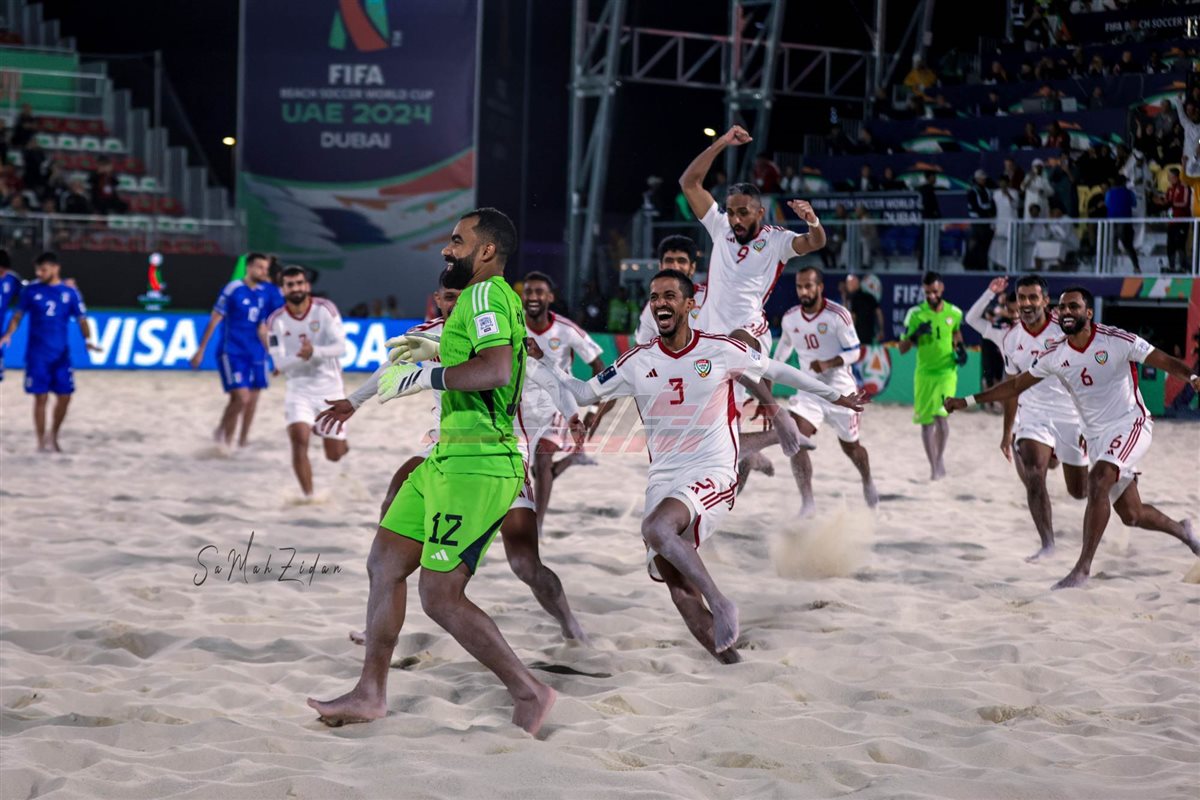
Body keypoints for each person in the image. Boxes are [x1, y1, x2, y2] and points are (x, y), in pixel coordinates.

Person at [306, 208, 557, 734]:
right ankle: (370, 693)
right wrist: (435, 352)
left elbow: (496, 370)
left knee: (440, 597)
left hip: (480, 463)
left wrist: (429, 375)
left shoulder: (486, 296)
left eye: (457, 241)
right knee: (384, 563)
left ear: (486, 250)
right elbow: (478, 355)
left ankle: (530, 691)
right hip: (445, 456)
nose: (447, 248)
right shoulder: (477, 299)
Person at [532, 268, 863, 662]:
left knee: (656, 527)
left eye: (669, 296)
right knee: (678, 589)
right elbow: (585, 392)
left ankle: (722, 602)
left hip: (712, 473)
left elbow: (776, 370)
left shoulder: (719, 349)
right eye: (654, 297)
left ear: (690, 305)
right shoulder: (637, 360)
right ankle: (734, 666)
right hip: (663, 479)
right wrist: (541, 365)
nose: (660, 303)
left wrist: (833, 396)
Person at [322, 271, 588, 644]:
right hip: (443, 445)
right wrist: (353, 402)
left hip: (500, 451)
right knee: (394, 498)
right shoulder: (428, 334)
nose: (455, 305)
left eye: (462, 298)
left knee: (525, 563)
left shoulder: (495, 335)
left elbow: (546, 376)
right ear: (437, 299)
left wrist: (572, 415)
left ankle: (569, 624)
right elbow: (393, 365)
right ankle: (381, 612)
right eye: (448, 297)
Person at [946, 287, 1200, 590]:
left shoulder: (1116, 340)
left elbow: (1163, 360)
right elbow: (1014, 386)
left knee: (1098, 479)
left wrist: (1192, 377)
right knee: (1131, 514)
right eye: (1062, 307)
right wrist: (966, 401)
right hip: (1095, 436)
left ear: (1088, 313)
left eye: (1073, 307)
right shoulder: (1056, 354)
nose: (1066, 311)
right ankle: (1184, 531)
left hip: (1130, 424)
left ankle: (1082, 570)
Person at [965, 276, 1087, 561]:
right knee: (1033, 473)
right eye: (1022, 298)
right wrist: (1007, 432)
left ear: (1045, 301)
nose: (1027, 303)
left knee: (1079, 492)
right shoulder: (1009, 336)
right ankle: (1048, 545)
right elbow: (1012, 388)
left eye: (1033, 297)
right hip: (1033, 414)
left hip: (1070, 415)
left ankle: (1061, 458)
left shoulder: (1065, 328)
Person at [678, 125, 826, 357]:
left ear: (760, 213)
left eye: (743, 213)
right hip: (709, 332)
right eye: (731, 212)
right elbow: (689, 183)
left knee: (736, 349)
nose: (735, 219)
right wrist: (722, 142)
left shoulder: (776, 239)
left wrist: (813, 221)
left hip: (748, 330)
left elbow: (815, 242)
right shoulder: (720, 226)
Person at [774, 267, 878, 514]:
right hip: (809, 391)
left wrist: (829, 363)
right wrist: (770, 370)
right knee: (796, 439)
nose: (803, 291)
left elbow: (855, 351)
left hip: (841, 393)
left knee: (851, 448)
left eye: (808, 286)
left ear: (820, 287)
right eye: (799, 287)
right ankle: (807, 503)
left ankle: (867, 480)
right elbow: (785, 347)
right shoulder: (790, 318)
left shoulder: (838, 315)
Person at [520, 270, 608, 533]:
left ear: (550, 297)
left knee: (542, 460)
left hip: (555, 406)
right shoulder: (513, 326)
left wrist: (593, 410)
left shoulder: (566, 330)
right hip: (520, 408)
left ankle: (536, 528)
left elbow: (599, 368)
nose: (533, 297)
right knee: (532, 471)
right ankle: (572, 457)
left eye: (539, 292)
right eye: (528, 291)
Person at [0, 252, 100, 451]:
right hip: (37, 355)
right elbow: (18, 315)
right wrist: (8, 333)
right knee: (41, 397)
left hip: (61, 355)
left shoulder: (70, 292)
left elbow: (81, 318)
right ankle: (41, 441)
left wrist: (88, 340)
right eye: (37, 270)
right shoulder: (31, 291)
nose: (39, 273)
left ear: (55, 268)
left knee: (65, 396)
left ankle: (53, 434)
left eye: (43, 269)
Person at [266, 266, 349, 498]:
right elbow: (279, 364)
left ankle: (342, 442)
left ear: (307, 286)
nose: (296, 288)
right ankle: (309, 497)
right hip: (298, 390)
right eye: (290, 284)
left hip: (330, 388)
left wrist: (314, 352)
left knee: (334, 454)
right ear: (283, 290)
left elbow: (341, 347)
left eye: (299, 283)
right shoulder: (275, 321)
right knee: (299, 440)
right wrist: (301, 357)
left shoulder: (325, 309)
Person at [190, 251, 272, 449]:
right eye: (260, 267)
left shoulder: (263, 293)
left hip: (255, 353)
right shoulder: (233, 289)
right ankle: (223, 437)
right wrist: (201, 350)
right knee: (241, 397)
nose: (264, 271)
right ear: (249, 268)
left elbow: (262, 328)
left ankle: (238, 441)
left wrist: (274, 354)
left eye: (266, 268)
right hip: (232, 352)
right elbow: (214, 320)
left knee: (249, 400)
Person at [897, 271, 965, 480]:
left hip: (947, 372)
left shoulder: (955, 312)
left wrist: (961, 349)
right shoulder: (915, 314)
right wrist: (915, 335)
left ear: (941, 288)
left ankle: (939, 458)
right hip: (924, 374)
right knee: (926, 423)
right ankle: (934, 467)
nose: (931, 296)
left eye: (935, 291)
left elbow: (956, 332)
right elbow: (902, 348)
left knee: (942, 417)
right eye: (927, 293)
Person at [635, 235, 707, 346]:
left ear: (692, 267)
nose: (675, 267)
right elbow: (640, 347)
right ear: (661, 266)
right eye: (669, 260)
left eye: (681, 261)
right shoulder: (653, 306)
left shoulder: (709, 298)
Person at [1104, 176, 1140, 273]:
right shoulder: (1129, 193)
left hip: (1112, 222)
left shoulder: (1109, 193)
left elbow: (1107, 204)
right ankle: (1136, 267)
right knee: (1128, 245)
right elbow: (1134, 203)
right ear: (1124, 183)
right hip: (1125, 222)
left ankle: (1108, 270)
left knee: (1112, 244)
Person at [965, 170, 995, 271]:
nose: (984, 180)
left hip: (986, 223)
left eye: (984, 178)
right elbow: (977, 207)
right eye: (982, 178)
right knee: (974, 244)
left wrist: (990, 213)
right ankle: (970, 266)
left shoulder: (987, 191)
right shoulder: (972, 192)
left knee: (984, 245)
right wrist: (987, 212)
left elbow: (991, 205)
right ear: (977, 179)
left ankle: (982, 266)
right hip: (977, 223)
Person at [0, 249, 22, 382]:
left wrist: (62, 283)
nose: (2, 274)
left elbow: (32, 292)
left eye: (4, 271)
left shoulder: (12, 279)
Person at [1164, 168, 1192, 272]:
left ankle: (1183, 267)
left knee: (1180, 244)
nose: (1168, 178)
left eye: (1170, 176)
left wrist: (1172, 203)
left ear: (1175, 177)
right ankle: (1171, 267)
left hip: (1182, 221)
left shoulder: (1184, 188)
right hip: (1171, 221)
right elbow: (1166, 202)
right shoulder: (1169, 189)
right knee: (1170, 245)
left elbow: (1185, 203)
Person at [845, 273, 883, 347]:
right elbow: (879, 313)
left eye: (848, 283)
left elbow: (853, 317)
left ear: (854, 284)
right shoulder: (871, 297)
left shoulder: (852, 298)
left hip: (857, 336)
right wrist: (881, 330)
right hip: (870, 335)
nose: (847, 286)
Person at [916, 172, 941, 269]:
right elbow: (929, 205)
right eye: (933, 177)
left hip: (928, 220)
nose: (935, 179)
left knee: (929, 242)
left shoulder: (927, 189)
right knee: (925, 242)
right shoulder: (927, 189)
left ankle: (929, 264)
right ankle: (923, 264)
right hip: (928, 220)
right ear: (929, 178)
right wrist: (935, 214)